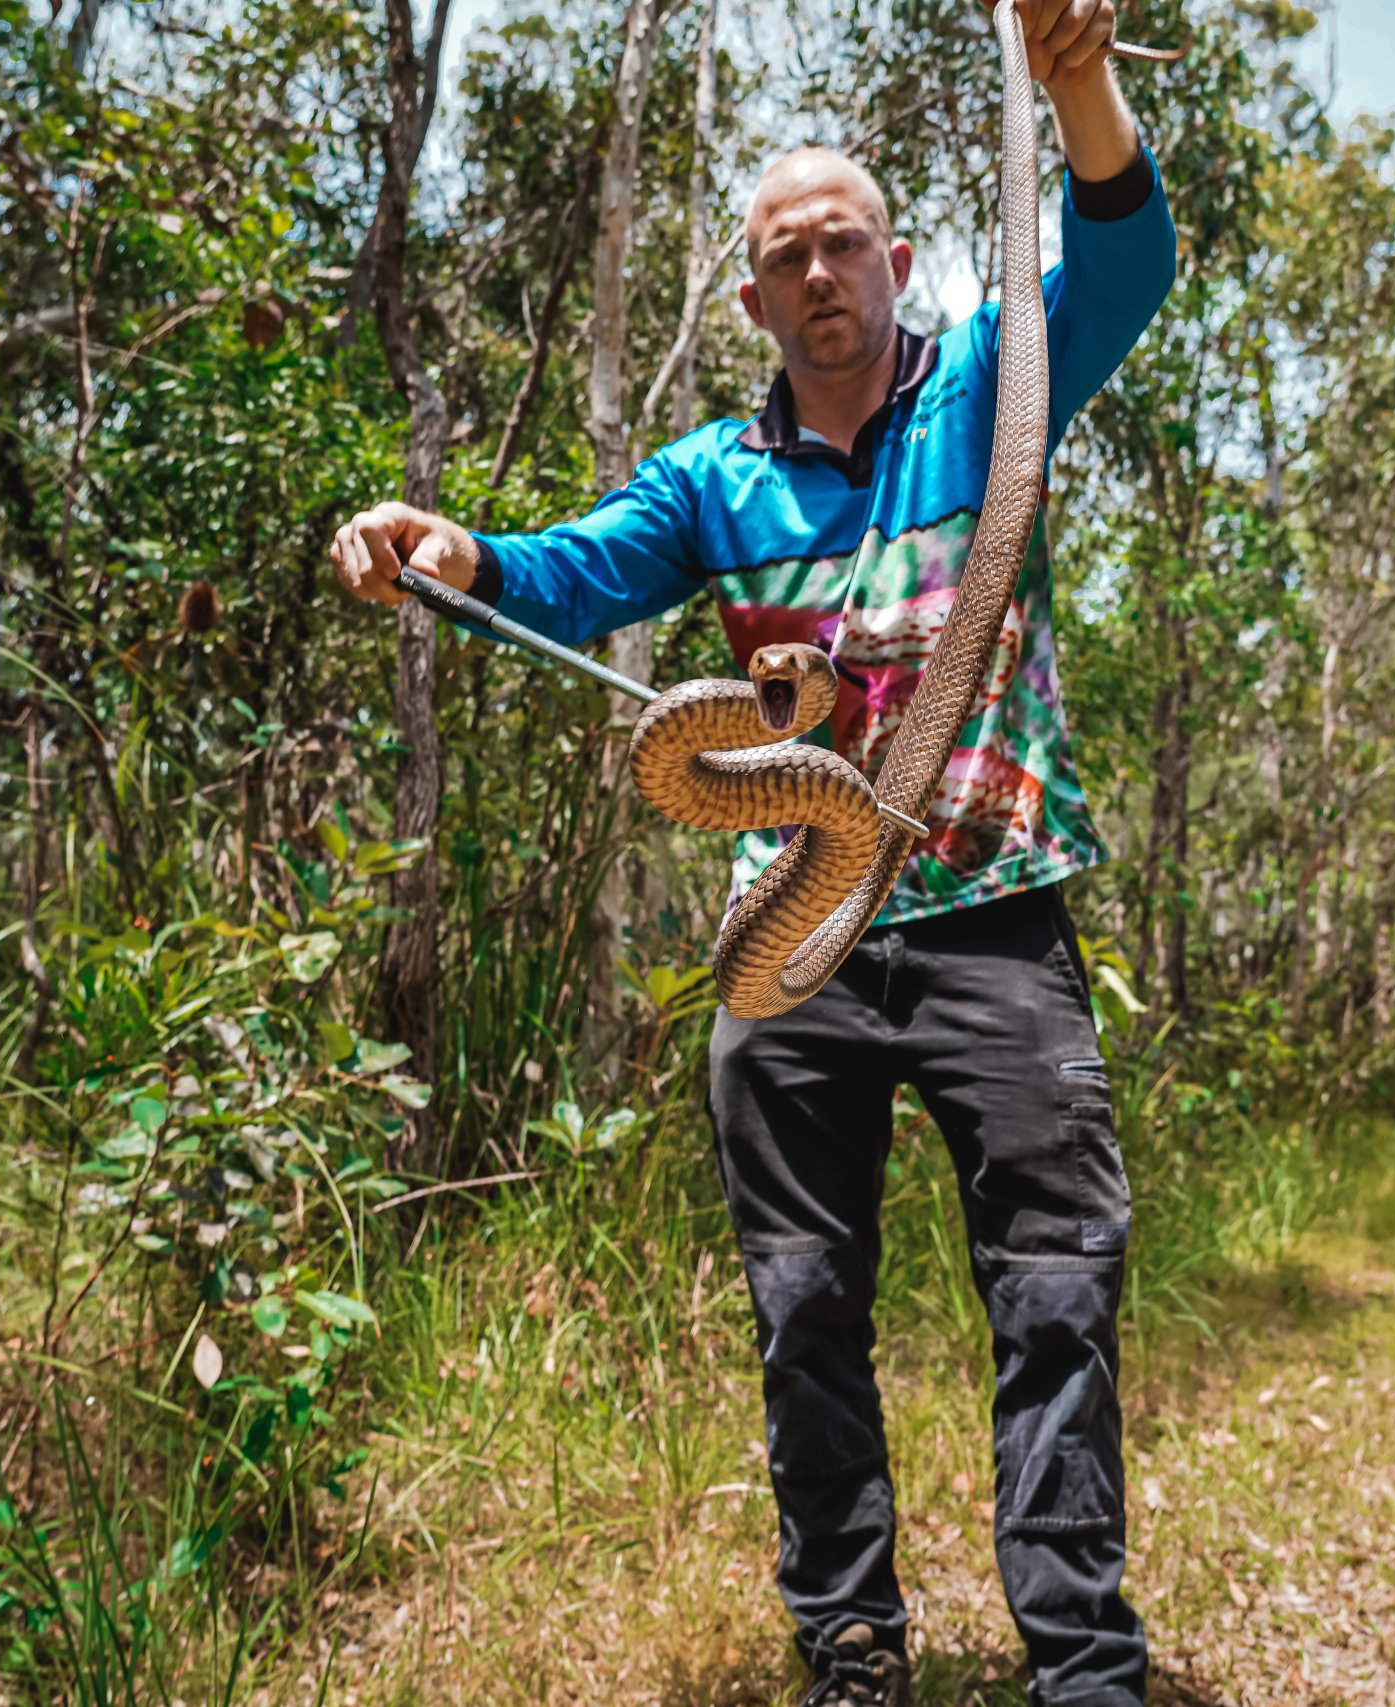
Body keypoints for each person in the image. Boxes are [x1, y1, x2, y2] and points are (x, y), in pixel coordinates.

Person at [333, 1, 1175, 1697]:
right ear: (751, 299)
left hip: (997, 917)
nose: (818, 277)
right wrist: (451, 550)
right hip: (792, 939)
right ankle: (850, 1651)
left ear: (900, 259)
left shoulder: (997, 388)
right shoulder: (712, 477)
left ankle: (1082, 1663)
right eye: (785, 256)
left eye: (843, 244)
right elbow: (563, 574)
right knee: (804, 1309)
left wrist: (1076, 82)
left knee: (1056, 1292)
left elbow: (1128, 262)